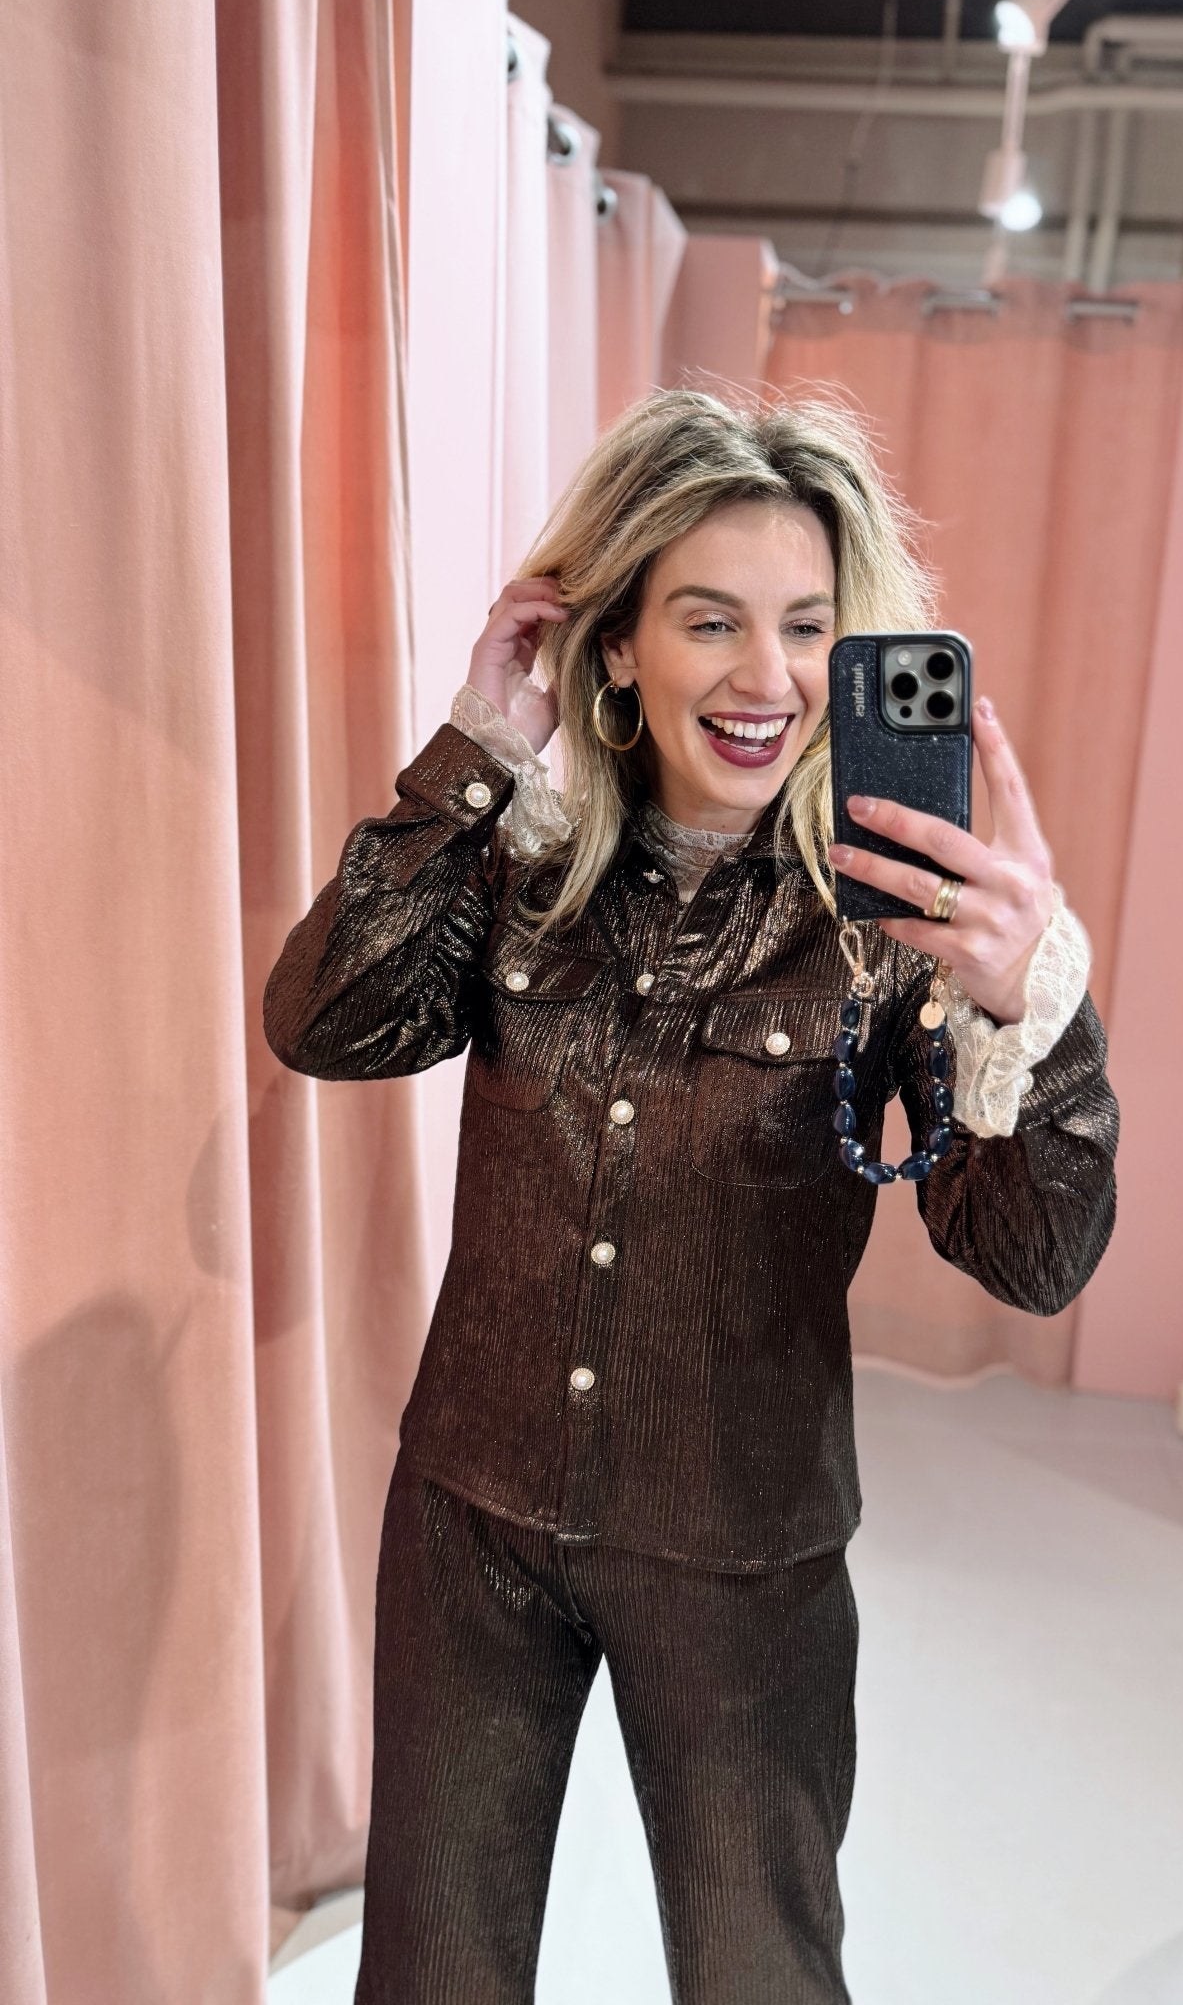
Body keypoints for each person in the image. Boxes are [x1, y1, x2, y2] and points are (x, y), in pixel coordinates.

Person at [262, 386, 1119, 2004]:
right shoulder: (523, 868)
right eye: (710, 621)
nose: (766, 679)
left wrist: (1029, 1009)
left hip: (741, 1555)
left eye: (808, 627)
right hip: (471, 1520)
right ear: (616, 649)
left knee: (757, 1975)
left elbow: (1031, 1257)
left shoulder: (896, 933)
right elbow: (327, 1023)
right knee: (432, 1973)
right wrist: (473, 752)